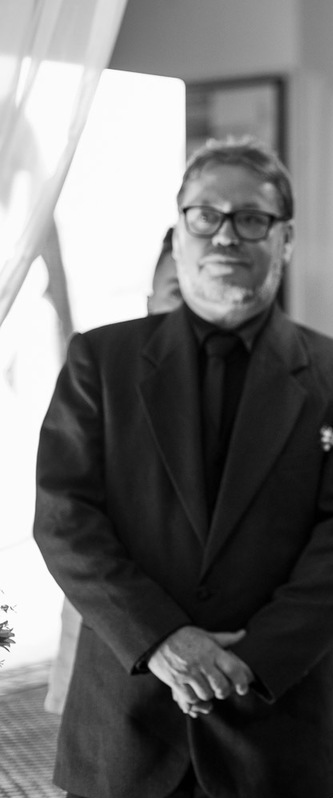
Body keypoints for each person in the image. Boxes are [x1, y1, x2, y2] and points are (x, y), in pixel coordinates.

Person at [33, 136, 333, 798]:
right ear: (178, 233)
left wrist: (244, 664)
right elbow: (65, 521)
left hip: (270, 722)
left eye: (252, 219)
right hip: (125, 722)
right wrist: (165, 641)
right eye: (206, 215)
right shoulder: (100, 363)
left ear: (285, 240)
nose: (226, 235)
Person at [44, 226, 186, 716]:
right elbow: (66, 517)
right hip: (117, 626)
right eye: (175, 293)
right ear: (150, 300)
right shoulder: (104, 374)